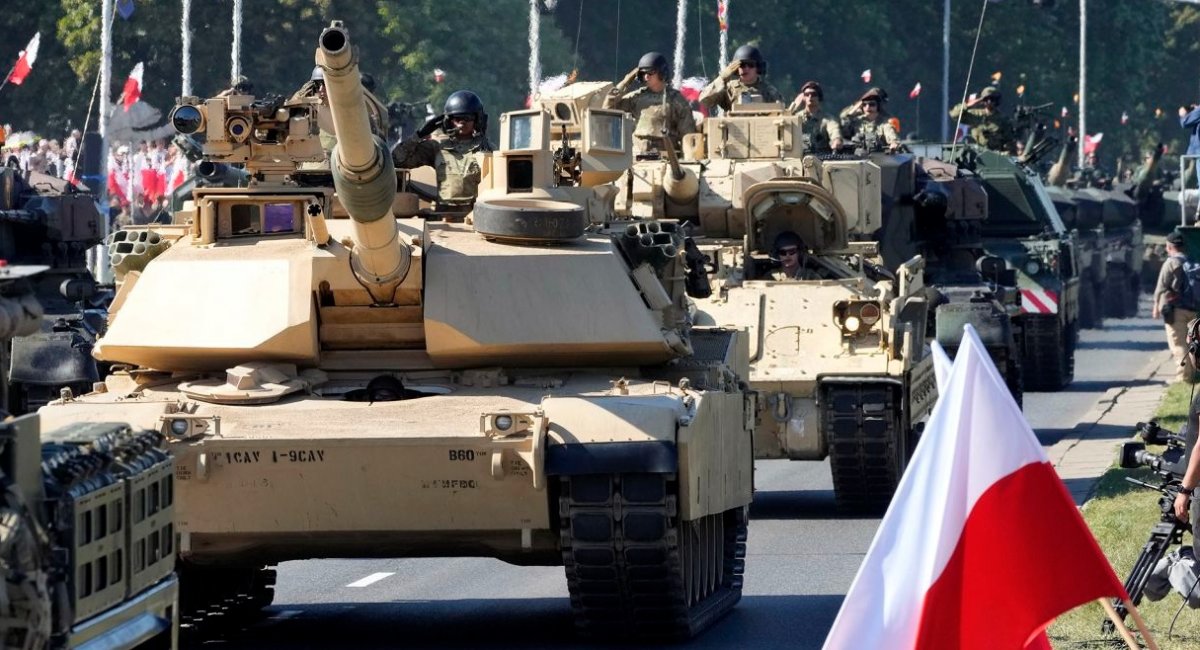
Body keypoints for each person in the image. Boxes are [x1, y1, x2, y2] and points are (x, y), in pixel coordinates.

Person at [392, 90, 494, 211]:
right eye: (457, 118)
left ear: (477, 120)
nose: (462, 122)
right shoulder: (437, 147)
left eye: (468, 118)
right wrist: (419, 135)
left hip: (477, 215)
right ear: (448, 120)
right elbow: (397, 160)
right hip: (444, 215)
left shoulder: (487, 149)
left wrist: (483, 136)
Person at [604, 52, 697, 156]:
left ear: (661, 73)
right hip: (638, 155)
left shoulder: (676, 100)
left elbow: (688, 136)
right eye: (643, 73)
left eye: (650, 73)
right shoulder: (637, 97)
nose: (646, 77)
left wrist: (688, 159)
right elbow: (608, 108)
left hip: (666, 157)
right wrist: (626, 81)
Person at [1153, 230, 1198, 382]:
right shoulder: (1191, 262)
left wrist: (1156, 306)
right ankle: (1193, 374)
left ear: (1169, 247)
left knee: (1178, 345)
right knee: (1192, 343)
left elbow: (1161, 286)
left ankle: (1184, 378)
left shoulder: (1170, 263)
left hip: (1175, 311)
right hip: (1193, 309)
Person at [699, 45, 783, 113]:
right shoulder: (729, 89)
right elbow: (704, 101)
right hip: (734, 131)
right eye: (741, 65)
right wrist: (722, 78)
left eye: (750, 65)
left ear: (758, 68)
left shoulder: (769, 91)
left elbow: (781, 113)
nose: (745, 68)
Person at [948, 86, 1016, 154]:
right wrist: (969, 105)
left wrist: (1005, 151)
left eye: (992, 99)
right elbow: (954, 114)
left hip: (995, 152)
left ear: (996, 101)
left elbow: (1009, 140)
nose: (989, 102)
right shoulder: (975, 114)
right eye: (986, 99)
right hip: (975, 151)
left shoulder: (1003, 119)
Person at [787, 80, 843, 154]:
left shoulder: (827, 119)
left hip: (821, 156)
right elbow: (783, 124)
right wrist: (794, 107)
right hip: (799, 155)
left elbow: (834, 129)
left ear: (819, 97)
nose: (810, 97)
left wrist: (836, 139)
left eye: (813, 94)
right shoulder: (796, 117)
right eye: (807, 94)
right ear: (803, 97)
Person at [843, 88, 900, 153]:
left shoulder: (885, 123)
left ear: (878, 106)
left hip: (879, 156)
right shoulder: (856, 121)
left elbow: (891, 134)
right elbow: (843, 120)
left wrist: (893, 143)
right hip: (856, 156)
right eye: (864, 105)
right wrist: (858, 104)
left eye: (872, 104)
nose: (868, 107)